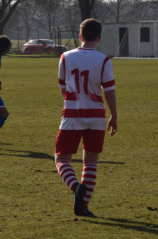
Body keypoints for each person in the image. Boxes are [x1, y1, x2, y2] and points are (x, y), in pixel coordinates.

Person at [54, 18, 117, 217]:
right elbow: (109, 91)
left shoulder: (65, 57)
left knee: (61, 158)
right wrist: (114, 116)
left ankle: (75, 187)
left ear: (79, 36)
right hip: (97, 116)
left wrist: (73, 100)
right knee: (90, 162)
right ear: (98, 38)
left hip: (73, 114)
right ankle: (82, 205)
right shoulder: (104, 60)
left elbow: (63, 87)